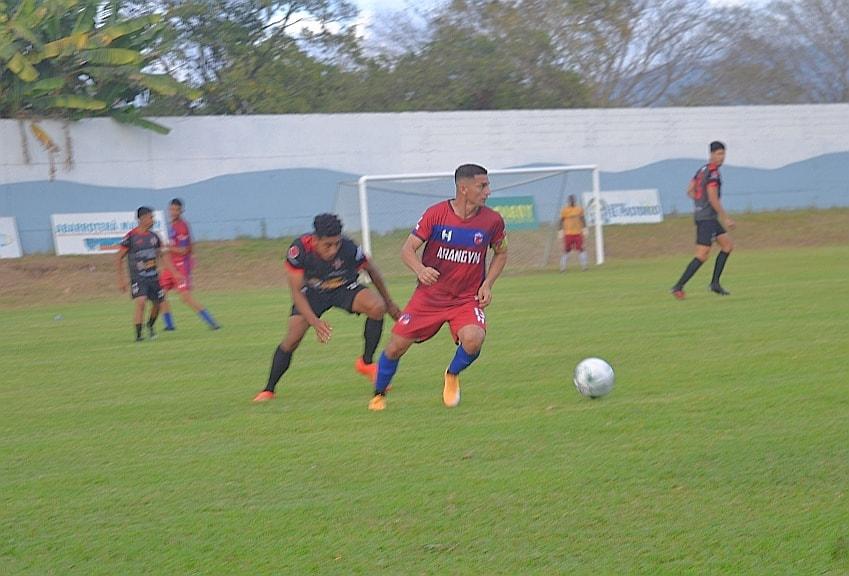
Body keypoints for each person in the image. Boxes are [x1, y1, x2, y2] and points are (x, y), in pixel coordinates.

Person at [368, 163, 508, 412]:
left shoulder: (492, 221)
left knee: (474, 340)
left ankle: (452, 374)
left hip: (466, 299)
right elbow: (407, 250)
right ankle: (379, 395)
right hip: (429, 298)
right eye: (482, 186)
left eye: (487, 185)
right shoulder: (436, 214)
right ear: (463, 188)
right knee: (396, 347)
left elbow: (501, 253)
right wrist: (420, 270)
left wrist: (487, 283)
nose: (488, 191)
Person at [253, 213, 401, 402]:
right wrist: (315, 322)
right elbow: (296, 293)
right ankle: (269, 390)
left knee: (377, 307)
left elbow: (372, 270)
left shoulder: (349, 248)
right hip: (312, 293)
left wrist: (389, 303)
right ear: (315, 240)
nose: (333, 250)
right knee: (292, 339)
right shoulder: (299, 250)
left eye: (336, 244)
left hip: (342, 286)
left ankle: (366, 363)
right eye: (327, 245)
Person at [671, 140, 736, 299]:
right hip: (707, 218)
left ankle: (715, 283)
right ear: (712, 154)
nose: (722, 157)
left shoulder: (702, 170)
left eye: (723, 153)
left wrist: (700, 204)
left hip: (706, 217)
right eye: (719, 154)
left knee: (727, 245)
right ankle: (678, 286)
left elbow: (690, 191)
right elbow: (713, 198)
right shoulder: (713, 172)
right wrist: (725, 218)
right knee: (702, 255)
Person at [116, 206, 183, 341]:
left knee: (158, 304)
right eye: (150, 217)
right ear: (142, 219)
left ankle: (150, 326)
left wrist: (175, 273)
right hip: (138, 278)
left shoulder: (154, 237)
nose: (153, 220)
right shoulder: (131, 237)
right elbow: (118, 257)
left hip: (153, 277)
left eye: (153, 217)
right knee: (140, 302)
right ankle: (139, 336)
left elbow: (163, 256)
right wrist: (120, 279)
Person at [158, 198, 220, 331]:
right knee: (160, 294)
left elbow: (185, 250)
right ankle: (169, 325)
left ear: (181, 211)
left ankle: (212, 323)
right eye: (171, 209)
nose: (173, 212)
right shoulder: (170, 225)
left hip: (181, 265)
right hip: (169, 266)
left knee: (185, 297)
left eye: (176, 209)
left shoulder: (182, 226)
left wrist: (167, 248)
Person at [559, 194, 588, 272]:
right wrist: (560, 230)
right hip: (568, 233)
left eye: (573, 200)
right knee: (566, 250)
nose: (571, 202)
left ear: (575, 201)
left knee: (581, 249)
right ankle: (563, 267)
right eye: (570, 201)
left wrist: (585, 228)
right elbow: (561, 221)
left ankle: (584, 266)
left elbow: (583, 219)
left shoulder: (579, 209)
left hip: (578, 233)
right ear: (568, 201)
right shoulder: (564, 210)